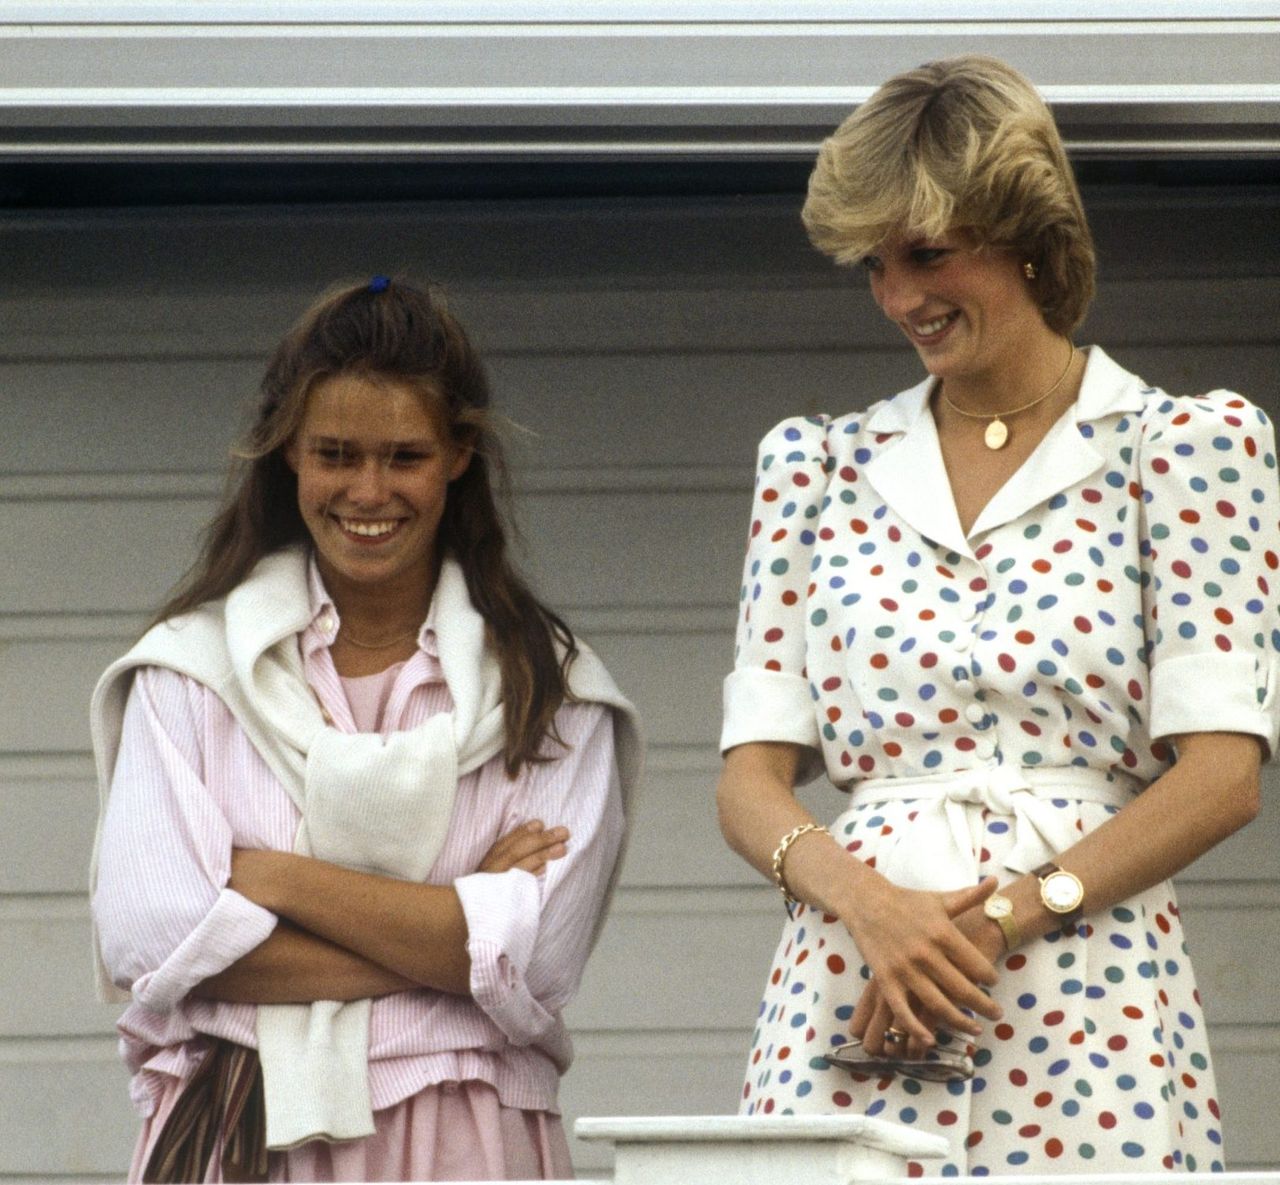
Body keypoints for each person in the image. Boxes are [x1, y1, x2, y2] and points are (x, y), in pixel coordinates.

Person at [717, 55, 1277, 1175]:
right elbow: (746, 782)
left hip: (1084, 984)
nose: (897, 296)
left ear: (1023, 229)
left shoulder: (1181, 447)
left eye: (925, 252)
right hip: (852, 976)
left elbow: (1220, 776)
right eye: (872, 264)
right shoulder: (816, 465)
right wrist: (872, 909)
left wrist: (1007, 912)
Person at [90, 276, 642, 1183]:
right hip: (239, 1120)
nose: (368, 491)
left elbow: (535, 960)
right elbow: (155, 940)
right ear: (288, 455)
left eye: (405, 456)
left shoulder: (551, 690)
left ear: (459, 454)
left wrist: (271, 880)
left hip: (466, 1126)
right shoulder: (191, 673)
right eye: (335, 454)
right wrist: (458, 927)